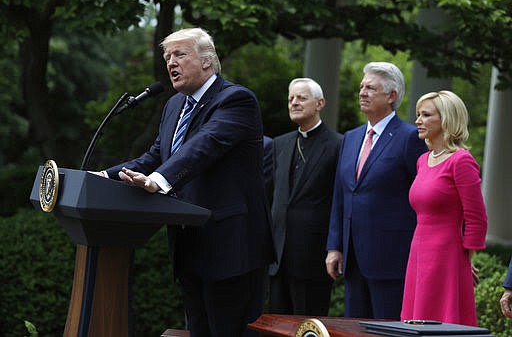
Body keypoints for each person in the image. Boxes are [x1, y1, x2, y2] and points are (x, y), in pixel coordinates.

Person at [100, 27, 274, 336]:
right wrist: (104, 177)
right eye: (167, 56)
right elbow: (154, 156)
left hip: (231, 247)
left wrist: (158, 180)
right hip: (189, 243)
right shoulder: (173, 107)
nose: (170, 63)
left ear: (208, 61)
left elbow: (203, 146)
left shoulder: (236, 100)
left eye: (180, 54)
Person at [325, 62, 427, 320]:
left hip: (392, 258)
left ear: (391, 96)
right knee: (354, 329)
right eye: (361, 87)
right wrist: (334, 246)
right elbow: (341, 196)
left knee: (387, 329)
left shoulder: (410, 138)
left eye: (370, 88)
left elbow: (424, 197)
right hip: (353, 258)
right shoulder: (350, 137)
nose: (362, 92)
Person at [401, 90, 488, 326]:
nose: (417, 120)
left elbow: (477, 218)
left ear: (446, 120)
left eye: (426, 115)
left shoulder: (461, 161)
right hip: (418, 252)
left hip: (447, 256)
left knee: (441, 321)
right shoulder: (423, 160)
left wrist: (464, 261)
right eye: (418, 114)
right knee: (415, 321)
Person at [269, 78, 343, 315]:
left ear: (320, 103)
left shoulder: (338, 144)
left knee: (309, 325)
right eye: (291, 98)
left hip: (313, 255)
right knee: (275, 327)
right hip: (277, 257)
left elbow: (339, 201)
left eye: (301, 98)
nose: (294, 103)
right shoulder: (279, 144)